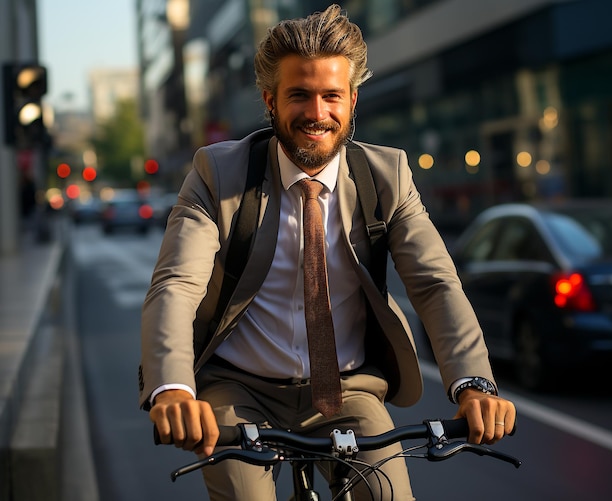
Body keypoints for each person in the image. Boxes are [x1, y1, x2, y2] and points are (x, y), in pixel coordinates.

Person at [140, 4, 516, 500]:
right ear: (270, 100)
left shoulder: (388, 177)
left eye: (331, 96)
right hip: (238, 388)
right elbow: (176, 284)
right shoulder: (218, 174)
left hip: (348, 390)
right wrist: (172, 388)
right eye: (300, 95)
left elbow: (434, 283)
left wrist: (474, 384)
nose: (318, 114)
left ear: (353, 100)